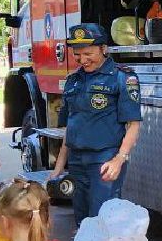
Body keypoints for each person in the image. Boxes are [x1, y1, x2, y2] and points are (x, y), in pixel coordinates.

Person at [50, 24, 142, 223]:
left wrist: (119, 159)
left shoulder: (123, 78)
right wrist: (58, 167)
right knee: (82, 223)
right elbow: (70, 126)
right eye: (77, 54)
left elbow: (133, 124)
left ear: (103, 49)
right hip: (76, 162)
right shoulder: (73, 80)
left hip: (104, 161)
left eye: (88, 53)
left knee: (102, 221)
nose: (82, 60)